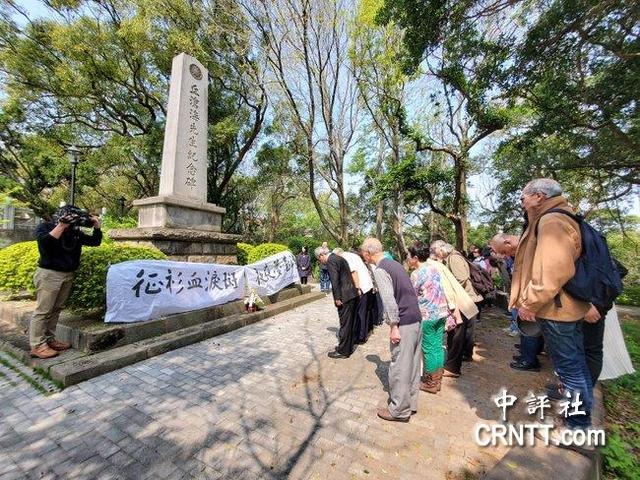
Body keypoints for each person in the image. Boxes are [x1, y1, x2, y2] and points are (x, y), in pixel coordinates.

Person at [511, 178, 593, 452]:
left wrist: (530, 303)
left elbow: (552, 272)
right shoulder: (557, 218)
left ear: (538, 196)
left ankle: (578, 429)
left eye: (524, 197)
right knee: (574, 367)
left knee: (570, 369)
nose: (522, 202)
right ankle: (577, 422)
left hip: (557, 307)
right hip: (561, 306)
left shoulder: (551, 221)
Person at [361, 238, 422, 422]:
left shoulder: (381, 270)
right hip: (415, 318)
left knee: (400, 366)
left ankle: (399, 410)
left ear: (367, 253)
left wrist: (394, 326)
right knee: (411, 364)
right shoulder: (395, 264)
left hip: (403, 322)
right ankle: (410, 403)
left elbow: (388, 300)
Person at [29, 206, 102, 359]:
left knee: (56, 309)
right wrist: (61, 226)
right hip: (49, 274)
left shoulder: (75, 232)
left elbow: (95, 242)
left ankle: (49, 340)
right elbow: (45, 244)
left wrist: (96, 226)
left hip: (68, 274)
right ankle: (37, 345)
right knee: (43, 311)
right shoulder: (46, 226)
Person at [429, 241, 479, 378]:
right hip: (463, 300)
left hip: (463, 300)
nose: (433, 253)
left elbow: (461, 278)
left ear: (441, 249)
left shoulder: (454, 258)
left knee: (457, 334)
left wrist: (448, 290)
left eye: (434, 250)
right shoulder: (449, 258)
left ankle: (453, 367)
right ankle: (462, 357)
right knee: (462, 333)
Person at [407, 242, 450, 394]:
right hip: (441, 312)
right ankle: (437, 379)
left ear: (416, 257)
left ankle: (431, 382)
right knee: (437, 346)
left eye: (409, 256)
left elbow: (411, 295)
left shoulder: (416, 274)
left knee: (428, 348)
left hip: (428, 316)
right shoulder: (434, 268)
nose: (407, 258)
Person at [315, 246, 358, 358]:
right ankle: (348, 346)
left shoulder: (331, 261)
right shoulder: (339, 258)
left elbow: (335, 280)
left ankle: (343, 351)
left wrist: (337, 298)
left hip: (345, 296)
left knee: (345, 323)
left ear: (321, 256)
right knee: (350, 322)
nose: (321, 262)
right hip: (351, 293)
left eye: (319, 260)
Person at [334, 248, 375, 344]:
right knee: (364, 312)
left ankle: (359, 337)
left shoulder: (346, 257)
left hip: (362, 287)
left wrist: (357, 288)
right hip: (367, 285)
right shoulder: (352, 255)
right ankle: (363, 334)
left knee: (360, 313)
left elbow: (354, 272)